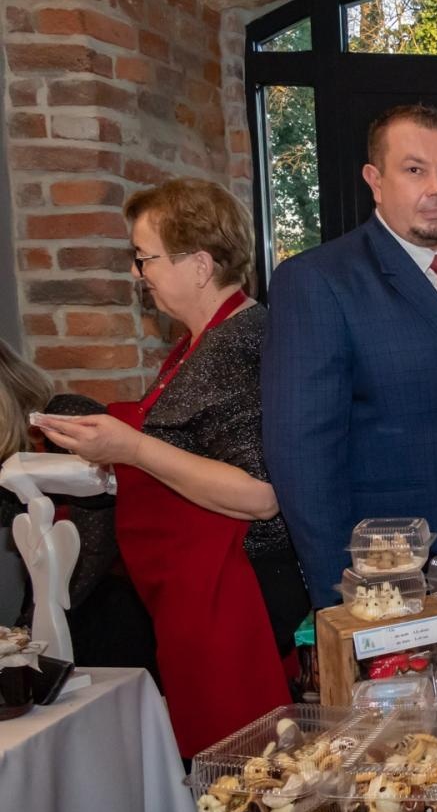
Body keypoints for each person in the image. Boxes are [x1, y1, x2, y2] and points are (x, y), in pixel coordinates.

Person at [36, 180, 303, 755]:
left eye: (145, 257)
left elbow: (261, 495)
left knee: (247, 774)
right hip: (206, 593)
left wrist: (131, 449)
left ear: (200, 264)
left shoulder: (238, 342)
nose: (138, 273)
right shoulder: (201, 342)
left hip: (237, 600)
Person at [263, 104, 437, 610]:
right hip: (394, 581)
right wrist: (342, 599)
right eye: (414, 170)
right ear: (374, 180)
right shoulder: (319, 281)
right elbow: (301, 457)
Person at [0, 342, 159, 681]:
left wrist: (28, 632)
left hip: (110, 610)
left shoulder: (63, 416)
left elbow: (97, 542)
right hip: (56, 607)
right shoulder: (9, 453)